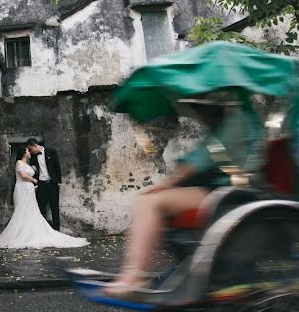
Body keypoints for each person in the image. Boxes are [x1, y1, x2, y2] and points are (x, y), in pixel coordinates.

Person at [106, 94, 263, 296]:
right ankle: (187, 267)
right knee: (154, 203)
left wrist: (166, 184)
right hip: (222, 189)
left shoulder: (235, 122)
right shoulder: (232, 121)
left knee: (150, 203)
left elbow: (200, 159)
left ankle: (134, 275)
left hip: (233, 193)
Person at [0, 147, 87, 249]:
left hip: (30, 190)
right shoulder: (19, 162)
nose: (29, 152)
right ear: (23, 153)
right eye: (27, 151)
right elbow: (22, 175)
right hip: (22, 189)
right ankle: (22, 233)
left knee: (32, 210)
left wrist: (34, 170)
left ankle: (32, 231)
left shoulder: (28, 164)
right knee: (22, 210)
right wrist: (34, 180)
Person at [26, 138, 63, 230]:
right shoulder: (34, 156)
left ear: (35, 145)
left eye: (31, 149)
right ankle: (43, 230)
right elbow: (32, 170)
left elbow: (57, 166)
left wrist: (58, 182)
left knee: (54, 207)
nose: (30, 151)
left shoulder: (51, 151)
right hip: (41, 184)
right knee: (41, 207)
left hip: (52, 183)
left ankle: (56, 229)